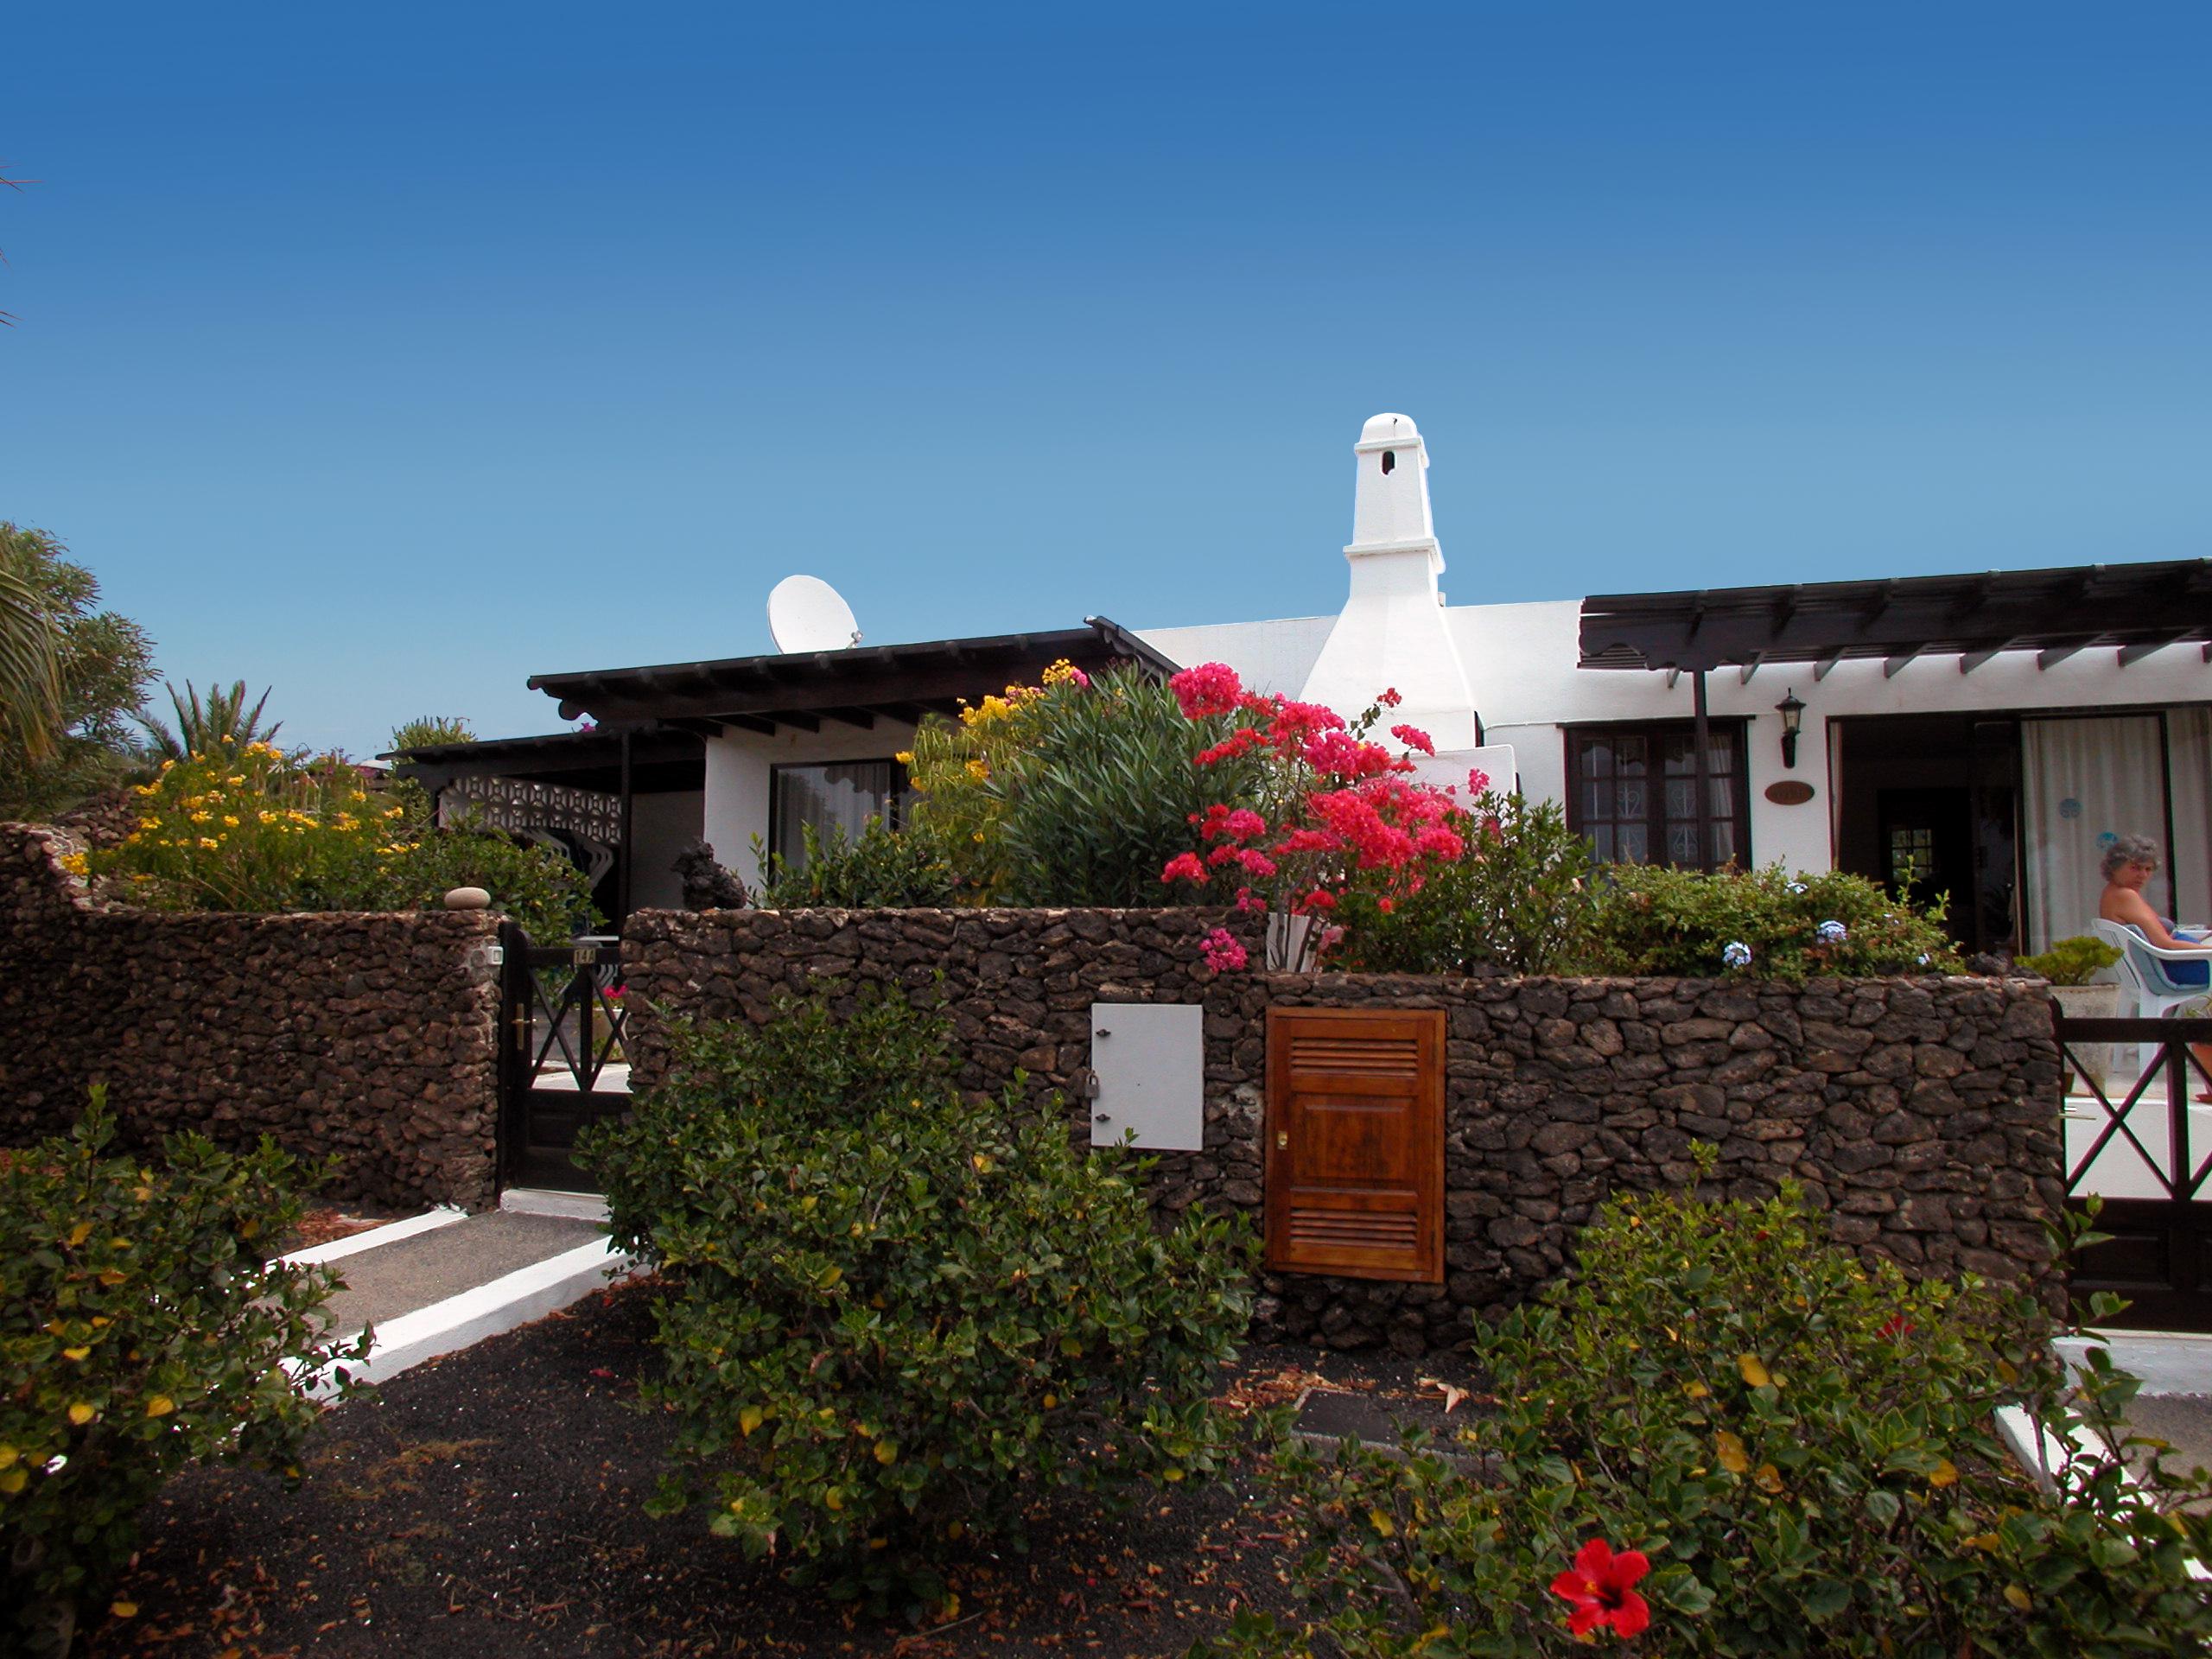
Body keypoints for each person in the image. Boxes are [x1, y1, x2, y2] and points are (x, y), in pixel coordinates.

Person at [2099, 836, 2211, 986]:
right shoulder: (2125, 896)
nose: (2143, 875)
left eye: (2148, 869)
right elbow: (2166, 945)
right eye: (2135, 867)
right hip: (2179, 967)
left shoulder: (2113, 893)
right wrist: (2207, 949)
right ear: (2115, 867)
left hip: (2180, 962)